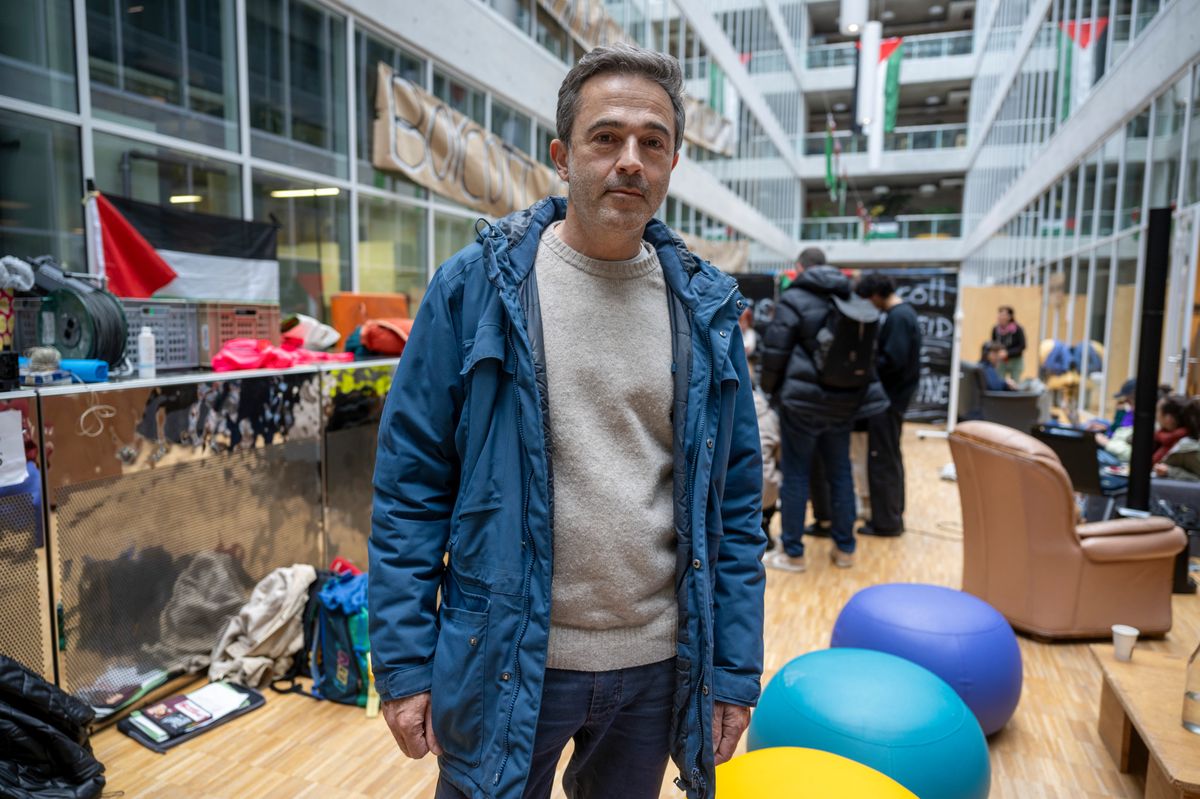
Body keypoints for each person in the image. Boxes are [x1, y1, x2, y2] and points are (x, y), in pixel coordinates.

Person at [368, 43, 765, 799]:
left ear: (673, 162)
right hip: (505, 656)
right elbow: (410, 488)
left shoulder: (704, 311)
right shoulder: (477, 290)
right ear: (562, 155)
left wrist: (734, 670)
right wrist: (405, 664)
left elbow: (737, 506)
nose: (630, 160)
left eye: (652, 142)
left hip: (656, 667)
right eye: (606, 137)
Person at [760, 250, 889, 572]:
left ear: (800, 268)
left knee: (796, 475)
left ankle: (793, 553)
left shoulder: (794, 299)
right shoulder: (849, 296)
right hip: (844, 400)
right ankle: (845, 549)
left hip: (801, 403)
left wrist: (770, 390)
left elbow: (775, 349)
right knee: (840, 472)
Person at [855, 273, 921, 537]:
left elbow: (893, 361)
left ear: (876, 294)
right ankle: (892, 515)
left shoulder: (898, 318)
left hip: (889, 400)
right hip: (894, 398)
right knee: (889, 457)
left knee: (882, 459)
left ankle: (886, 522)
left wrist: (866, 368)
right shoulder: (903, 315)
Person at [1155, 397, 1200, 481]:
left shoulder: (1188, 446)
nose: (1156, 416)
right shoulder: (1160, 436)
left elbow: (1197, 478)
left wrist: (1170, 471)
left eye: (1157, 411)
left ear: (1168, 418)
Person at [991, 306, 1026, 382]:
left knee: (1015, 382)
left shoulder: (1017, 329)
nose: (1000, 317)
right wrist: (997, 353)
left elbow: (1022, 346)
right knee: (999, 380)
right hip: (1001, 360)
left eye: (1003, 315)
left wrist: (1007, 353)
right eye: (1000, 314)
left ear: (1009, 317)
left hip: (1015, 360)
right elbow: (993, 344)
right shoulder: (995, 329)